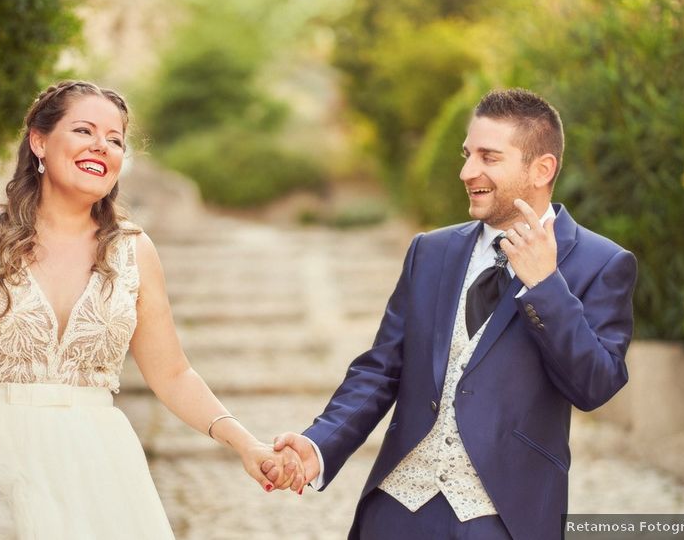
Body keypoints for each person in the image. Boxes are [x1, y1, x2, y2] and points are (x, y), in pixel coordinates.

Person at [0, 80, 302, 539]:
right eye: (84, 131)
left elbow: (173, 373)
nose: (102, 146)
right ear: (39, 141)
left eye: (114, 140)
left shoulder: (134, 252)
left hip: (96, 468)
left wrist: (246, 443)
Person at [266, 88, 638, 539]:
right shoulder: (431, 250)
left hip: (505, 517)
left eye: (488, 157)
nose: (466, 171)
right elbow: (381, 369)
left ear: (542, 169)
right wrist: (319, 445)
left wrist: (546, 287)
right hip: (397, 508)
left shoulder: (602, 263)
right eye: (467, 154)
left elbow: (595, 386)